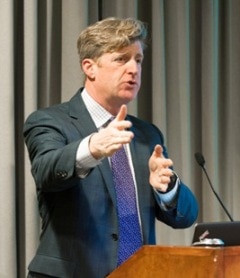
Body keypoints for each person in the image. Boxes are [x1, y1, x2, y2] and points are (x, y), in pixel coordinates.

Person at [24, 17, 198, 278]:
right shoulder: (50, 121)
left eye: (138, 60)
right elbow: (46, 170)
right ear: (89, 67)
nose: (133, 69)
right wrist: (92, 147)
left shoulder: (147, 134)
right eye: (121, 59)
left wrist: (167, 187)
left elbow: (185, 217)